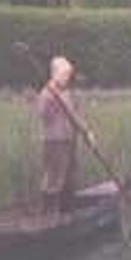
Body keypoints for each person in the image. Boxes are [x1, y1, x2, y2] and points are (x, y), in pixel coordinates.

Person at [35, 55, 93, 214]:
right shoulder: (46, 93)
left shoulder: (67, 93)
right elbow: (42, 114)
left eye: (68, 74)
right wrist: (51, 97)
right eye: (65, 74)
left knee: (70, 176)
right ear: (55, 74)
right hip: (55, 141)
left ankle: (67, 212)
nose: (68, 78)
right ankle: (49, 214)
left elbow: (75, 115)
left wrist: (87, 131)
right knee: (54, 178)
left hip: (70, 139)